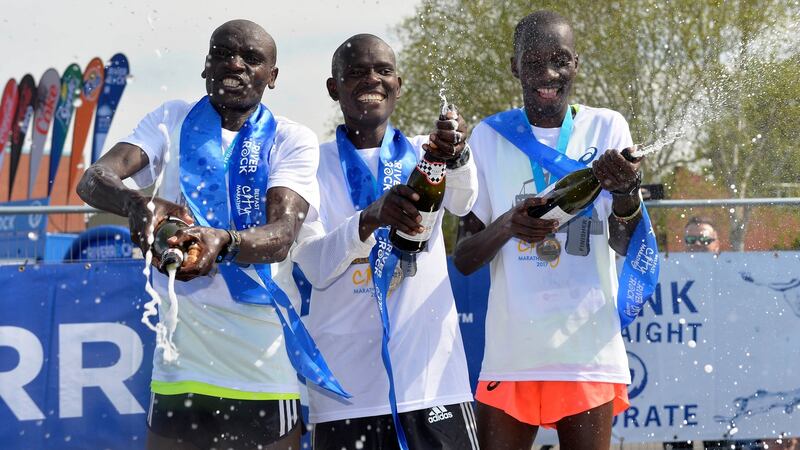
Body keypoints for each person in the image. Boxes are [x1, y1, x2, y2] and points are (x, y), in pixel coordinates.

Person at [77, 20, 324, 450]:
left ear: (273, 76)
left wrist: (223, 241)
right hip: (180, 360)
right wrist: (138, 204)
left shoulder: (291, 137)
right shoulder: (171, 118)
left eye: (251, 58)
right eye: (223, 53)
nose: (235, 64)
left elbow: (283, 235)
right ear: (205, 65)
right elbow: (93, 179)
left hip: (261, 358)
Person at [453, 10, 649, 450]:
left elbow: (625, 243)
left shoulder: (608, 127)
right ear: (514, 66)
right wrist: (508, 224)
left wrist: (624, 193)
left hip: (587, 351)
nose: (548, 74)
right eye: (534, 62)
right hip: (513, 350)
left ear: (576, 64)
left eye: (560, 60)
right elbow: (465, 258)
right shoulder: (488, 137)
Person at [290, 34, 480, 449]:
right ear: (332, 87)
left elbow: (465, 202)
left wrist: (459, 154)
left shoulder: (423, 153)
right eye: (355, 72)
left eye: (383, 71)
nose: (371, 80)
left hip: (432, 384)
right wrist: (368, 219)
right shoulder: (309, 166)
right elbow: (313, 265)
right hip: (346, 391)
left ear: (398, 83)